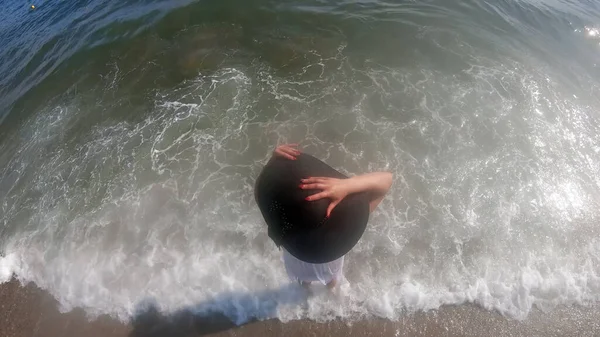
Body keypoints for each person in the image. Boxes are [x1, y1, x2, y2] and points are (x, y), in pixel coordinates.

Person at [258, 143, 393, 290]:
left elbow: (262, 188)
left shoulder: (281, 217)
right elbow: (386, 179)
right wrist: (347, 185)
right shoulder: (344, 225)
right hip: (329, 258)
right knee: (332, 279)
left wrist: (273, 162)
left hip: (295, 252)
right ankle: (330, 291)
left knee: (302, 278)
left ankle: (305, 290)